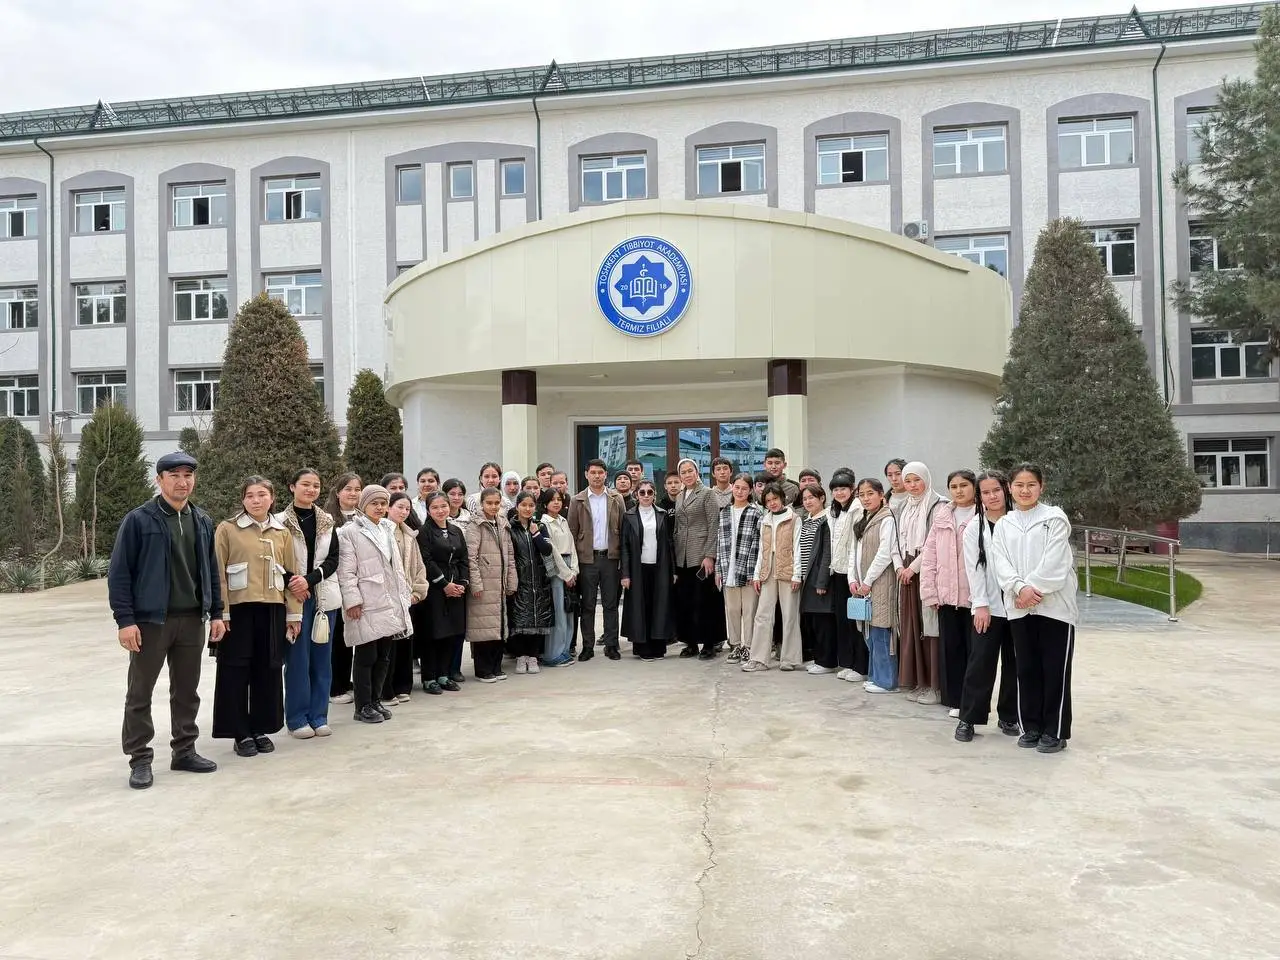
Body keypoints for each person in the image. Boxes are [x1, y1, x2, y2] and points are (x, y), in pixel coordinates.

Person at [110, 450, 223, 790]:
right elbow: (120, 573)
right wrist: (125, 620)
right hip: (150, 622)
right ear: (159, 480)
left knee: (187, 691)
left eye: (188, 475)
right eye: (174, 475)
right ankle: (140, 759)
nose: (182, 482)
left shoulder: (201, 520)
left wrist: (217, 613)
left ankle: (184, 751)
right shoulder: (139, 520)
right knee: (140, 692)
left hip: (192, 620)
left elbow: (211, 571)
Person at [212, 476, 301, 758]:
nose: (256, 500)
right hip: (238, 610)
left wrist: (294, 614)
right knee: (235, 670)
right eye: (250, 495)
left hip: (272, 609)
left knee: (268, 669)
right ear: (242, 500)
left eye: (262, 494)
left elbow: (292, 576)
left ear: (272, 498)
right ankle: (239, 731)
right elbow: (218, 574)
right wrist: (221, 612)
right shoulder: (227, 529)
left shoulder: (282, 532)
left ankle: (260, 727)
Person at [992, 464, 1078, 754]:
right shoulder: (1004, 524)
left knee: (1054, 670)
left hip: (1055, 608)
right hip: (1019, 607)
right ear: (1010, 488)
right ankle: (1031, 726)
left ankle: (1055, 731)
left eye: (1031, 484)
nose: (1025, 490)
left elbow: (1057, 562)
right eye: (1019, 485)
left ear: (1042, 487)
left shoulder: (1054, 518)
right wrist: (1019, 588)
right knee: (1026, 669)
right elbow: (1000, 563)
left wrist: (1030, 589)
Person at [336, 485, 414, 724]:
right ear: (363, 504)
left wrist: (403, 595)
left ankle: (375, 700)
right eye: (374, 503)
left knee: (383, 655)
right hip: (366, 601)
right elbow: (346, 571)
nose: (379, 507)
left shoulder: (387, 528)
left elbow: (396, 568)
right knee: (366, 655)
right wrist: (352, 601)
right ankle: (362, 706)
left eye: (383, 503)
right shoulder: (349, 532)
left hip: (388, 600)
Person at [955, 470, 1019, 742]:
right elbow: (974, 569)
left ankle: (1009, 716)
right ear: (979, 497)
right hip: (989, 606)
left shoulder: (1018, 522)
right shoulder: (974, 527)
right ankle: (969, 718)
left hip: (1019, 605)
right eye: (986, 492)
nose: (992, 496)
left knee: (1016, 663)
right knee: (980, 663)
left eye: (996, 490)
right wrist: (980, 604)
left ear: (1006, 490)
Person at [277, 468, 341, 740]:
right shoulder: (279, 522)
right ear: (292, 487)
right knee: (297, 660)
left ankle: (319, 716)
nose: (311, 489)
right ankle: (297, 718)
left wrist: (310, 580)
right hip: (294, 598)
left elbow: (334, 558)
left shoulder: (327, 520)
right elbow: (274, 559)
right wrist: (295, 582)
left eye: (316, 485)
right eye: (305, 484)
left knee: (322, 660)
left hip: (324, 597)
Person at [922, 469, 979, 717]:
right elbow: (929, 556)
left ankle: (973, 701)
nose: (959, 490)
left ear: (974, 487)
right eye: (954, 486)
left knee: (975, 652)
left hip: (975, 598)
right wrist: (930, 593)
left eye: (964, 485)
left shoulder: (982, 514)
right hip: (946, 597)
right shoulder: (943, 515)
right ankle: (955, 700)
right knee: (951, 650)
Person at [893, 461, 945, 706]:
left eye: (917, 480)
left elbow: (934, 544)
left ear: (926, 479)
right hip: (905, 571)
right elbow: (896, 541)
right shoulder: (903, 506)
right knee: (911, 626)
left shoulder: (938, 505)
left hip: (926, 570)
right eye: (908, 481)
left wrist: (912, 568)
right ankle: (919, 682)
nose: (912, 486)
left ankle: (935, 686)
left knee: (929, 627)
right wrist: (900, 567)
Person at [567, 458, 625, 662]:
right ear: (586, 475)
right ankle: (587, 646)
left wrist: (622, 560)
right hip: (587, 560)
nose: (597, 476)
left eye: (600, 472)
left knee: (610, 604)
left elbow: (623, 529)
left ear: (606, 474)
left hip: (610, 558)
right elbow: (572, 533)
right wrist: (573, 565)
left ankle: (611, 645)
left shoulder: (616, 498)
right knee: (588, 605)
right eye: (593, 472)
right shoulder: (577, 500)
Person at [415, 492, 468, 695]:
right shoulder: (424, 532)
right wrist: (444, 584)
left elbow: (463, 559)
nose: (440, 510)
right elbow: (426, 560)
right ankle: (429, 677)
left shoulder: (456, 531)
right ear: (428, 510)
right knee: (433, 633)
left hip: (456, 588)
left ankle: (444, 675)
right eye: (435, 507)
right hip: (434, 589)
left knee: (451, 632)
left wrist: (462, 583)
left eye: (443, 506)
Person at [849, 478, 898, 693]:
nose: (866, 498)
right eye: (862, 494)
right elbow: (854, 553)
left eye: (870, 493)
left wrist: (868, 581)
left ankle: (887, 682)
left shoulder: (887, 519)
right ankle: (875, 676)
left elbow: (885, 553)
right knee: (869, 631)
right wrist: (852, 579)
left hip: (881, 582)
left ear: (880, 495)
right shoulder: (863, 519)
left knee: (881, 631)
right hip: (863, 585)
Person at [465, 487, 518, 681]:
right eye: (489, 503)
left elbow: (510, 555)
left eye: (497, 503)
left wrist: (512, 580)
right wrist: (476, 584)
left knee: (498, 627)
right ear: (481, 504)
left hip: (500, 583)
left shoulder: (503, 523)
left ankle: (496, 666)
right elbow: (471, 557)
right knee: (483, 628)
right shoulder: (475, 525)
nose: (493, 506)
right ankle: (483, 669)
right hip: (484, 584)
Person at [744, 484, 800, 672]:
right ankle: (759, 658)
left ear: (782, 498)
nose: (772, 503)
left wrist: (797, 575)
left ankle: (789, 659)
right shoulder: (765, 520)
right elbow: (762, 549)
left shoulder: (794, 518)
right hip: (767, 569)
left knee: (790, 614)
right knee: (762, 615)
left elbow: (797, 548)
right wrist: (756, 575)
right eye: (768, 501)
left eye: (775, 499)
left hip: (788, 569)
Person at [620, 479, 677, 660]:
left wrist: (673, 571)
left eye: (649, 492)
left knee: (659, 606)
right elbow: (624, 547)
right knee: (641, 607)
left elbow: (670, 543)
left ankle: (658, 648)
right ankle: (643, 649)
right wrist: (625, 574)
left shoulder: (662, 514)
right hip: (638, 569)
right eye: (642, 492)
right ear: (636, 495)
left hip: (660, 568)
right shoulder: (628, 516)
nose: (646, 495)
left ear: (654, 495)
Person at [672, 457, 721, 661]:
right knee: (685, 602)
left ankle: (709, 644)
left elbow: (714, 524)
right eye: (683, 472)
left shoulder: (707, 493)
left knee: (704, 602)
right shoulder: (679, 495)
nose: (687, 475)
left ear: (697, 472)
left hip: (701, 555)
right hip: (682, 556)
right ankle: (690, 642)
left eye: (690, 471)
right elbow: (677, 526)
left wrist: (710, 555)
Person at [383, 491, 429, 705]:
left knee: (405, 643)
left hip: (407, 598)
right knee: (388, 646)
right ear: (388, 507)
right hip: (387, 598)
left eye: (407, 509)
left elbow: (419, 567)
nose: (403, 512)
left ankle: (403, 686)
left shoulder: (409, 535)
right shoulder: (382, 531)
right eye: (399, 507)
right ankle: (386, 688)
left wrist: (417, 593)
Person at [715, 473, 762, 664]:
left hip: (747, 569)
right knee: (732, 610)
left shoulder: (755, 513)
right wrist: (718, 569)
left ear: (750, 491)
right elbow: (719, 542)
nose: (740, 491)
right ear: (732, 488)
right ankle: (734, 645)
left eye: (744, 488)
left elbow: (757, 544)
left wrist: (753, 572)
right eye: (737, 487)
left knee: (750, 610)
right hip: (728, 568)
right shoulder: (724, 512)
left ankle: (748, 647)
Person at [826, 469, 868, 682]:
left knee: (856, 622)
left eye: (843, 488)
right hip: (838, 572)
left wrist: (854, 576)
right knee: (844, 621)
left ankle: (861, 667)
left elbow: (855, 546)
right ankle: (849, 663)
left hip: (853, 574)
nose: (839, 492)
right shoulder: (836, 511)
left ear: (852, 489)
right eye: (835, 489)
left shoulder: (858, 509)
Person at [506, 491, 554, 674]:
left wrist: (536, 534)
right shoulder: (510, 528)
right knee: (519, 619)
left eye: (531, 505)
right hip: (519, 580)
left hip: (539, 580)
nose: (527, 509)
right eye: (524, 505)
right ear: (517, 506)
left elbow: (547, 550)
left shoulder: (540, 526)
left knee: (537, 619)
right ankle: (520, 656)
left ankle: (533, 656)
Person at [324, 472, 362, 704]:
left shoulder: (363, 516)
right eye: (348, 489)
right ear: (337, 492)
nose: (353, 493)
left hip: (358, 585)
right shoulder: (327, 519)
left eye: (357, 489)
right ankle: (334, 687)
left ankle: (346, 680)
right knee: (337, 637)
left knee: (352, 636)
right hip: (334, 584)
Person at [793, 484, 836, 674]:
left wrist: (822, 581)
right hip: (806, 577)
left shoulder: (826, 521)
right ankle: (819, 659)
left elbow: (827, 552)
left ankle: (827, 662)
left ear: (822, 498)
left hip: (819, 578)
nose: (808, 502)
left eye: (812, 497)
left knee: (823, 621)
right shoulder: (806, 520)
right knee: (813, 621)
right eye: (805, 499)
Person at [536, 487, 578, 667]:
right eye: (552, 499)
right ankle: (553, 654)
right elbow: (552, 552)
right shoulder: (543, 523)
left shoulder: (563, 520)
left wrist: (574, 570)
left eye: (559, 499)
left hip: (569, 568)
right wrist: (566, 574)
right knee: (558, 612)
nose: (556, 502)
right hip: (557, 571)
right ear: (545, 503)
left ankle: (565, 649)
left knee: (569, 611)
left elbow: (572, 546)